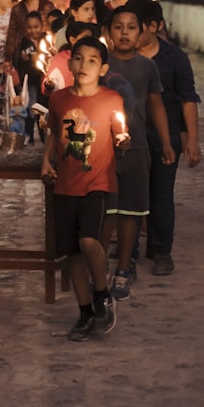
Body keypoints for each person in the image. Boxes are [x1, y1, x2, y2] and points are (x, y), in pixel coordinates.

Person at [41, 36, 128, 341]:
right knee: (71, 253)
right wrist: (46, 161)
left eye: (92, 60)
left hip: (97, 181)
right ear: (70, 62)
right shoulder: (60, 99)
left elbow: (120, 133)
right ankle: (84, 312)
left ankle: (102, 293)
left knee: (89, 240)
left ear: (103, 68)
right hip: (65, 183)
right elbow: (53, 132)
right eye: (78, 58)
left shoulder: (111, 100)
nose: (84, 65)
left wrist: (122, 141)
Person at [101, 6, 176, 300]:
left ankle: (123, 268)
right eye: (118, 27)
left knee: (131, 209)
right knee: (107, 209)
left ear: (142, 32)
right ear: (108, 32)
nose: (124, 33)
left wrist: (167, 143)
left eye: (131, 27)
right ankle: (101, 266)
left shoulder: (148, 67)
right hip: (103, 149)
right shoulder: (102, 64)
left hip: (137, 148)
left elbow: (156, 107)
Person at [130, 0, 202, 275]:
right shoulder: (119, 60)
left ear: (154, 26)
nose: (130, 34)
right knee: (131, 196)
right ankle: (129, 250)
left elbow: (187, 99)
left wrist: (191, 139)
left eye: (136, 27)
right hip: (130, 136)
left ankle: (161, 250)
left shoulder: (175, 59)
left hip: (165, 136)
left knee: (161, 194)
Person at [5, 0, 55, 71]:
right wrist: (8, 58)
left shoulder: (48, 6)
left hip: (46, 52)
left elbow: (55, 29)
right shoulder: (17, 9)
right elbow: (12, 34)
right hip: (25, 54)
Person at [13, 11, 47, 143]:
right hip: (32, 81)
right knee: (32, 107)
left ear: (42, 26)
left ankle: (44, 136)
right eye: (30, 27)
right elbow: (22, 59)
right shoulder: (25, 42)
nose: (33, 30)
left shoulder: (46, 40)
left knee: (44, 108)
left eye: (36, 26)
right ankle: (29, 135)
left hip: (45, 81)